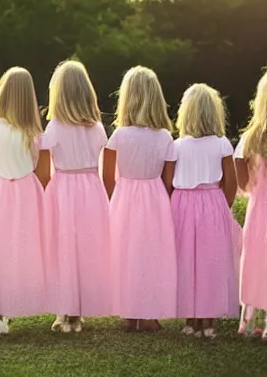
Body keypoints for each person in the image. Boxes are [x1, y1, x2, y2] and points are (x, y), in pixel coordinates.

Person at [102, 66, 177, 332]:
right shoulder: (166, 137)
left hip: (124, 196)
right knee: (151, 254)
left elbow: (107, 176)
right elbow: (169, 181)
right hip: (155, 197)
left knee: (126, 253)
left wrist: (114, 199)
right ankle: (148, 314)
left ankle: (128, 312)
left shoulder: (119, 135)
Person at [41, 61, 111, 333]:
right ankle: (77, 312)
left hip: (63, 188)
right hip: (91, 188)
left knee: (64, 249)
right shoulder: (97, 128)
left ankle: (66, 311)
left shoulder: (55, 128)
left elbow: (45, 171)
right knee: (85, 249)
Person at [171, 84, 239, 339]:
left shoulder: (177, 145)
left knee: (188, 260)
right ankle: (205, 321)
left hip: (184, 203)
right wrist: (222, 207)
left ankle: (194, 321)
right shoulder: (221, 144)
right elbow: (231, 183)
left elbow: (169, 181)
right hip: (211, 202)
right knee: (210, 262)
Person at [0, 67, 46, 334]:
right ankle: (7, 307)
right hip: (26, 192)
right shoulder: (32, 133)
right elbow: (33, 163)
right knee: (22, 249)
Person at [235, 71, 267, 340]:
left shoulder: (250, 139)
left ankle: (248, 320)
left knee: (255, 259)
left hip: (259, 209)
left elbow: (243, 184)